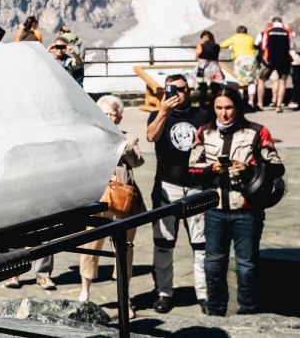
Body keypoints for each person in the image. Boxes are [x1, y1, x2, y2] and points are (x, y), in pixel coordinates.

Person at [189, 93, 284, 316]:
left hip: (247, 210)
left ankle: (248, 314)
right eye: (219, 108)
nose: (224, 113)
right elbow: (191, 169)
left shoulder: (257, 131)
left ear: (238, 108)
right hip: (215, 211)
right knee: (213, 265)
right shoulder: (204, 132)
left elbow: (277, 167)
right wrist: (210, 169)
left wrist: (249, 169)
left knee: (247, 267)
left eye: (229, 107)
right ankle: (215, 313)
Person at [145, 74, 212, 313]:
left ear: (189, 90)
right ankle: (164, 292)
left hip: (197, 187)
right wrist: (163, 112)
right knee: (163, 244)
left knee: (201, 245)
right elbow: (151, 136)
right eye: (172, 89)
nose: (178, 93)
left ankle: (204, 294)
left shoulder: (202, 115)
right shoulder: (158, 114)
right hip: (167, 186)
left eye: (182, 89)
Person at [77, 96, 146, 316]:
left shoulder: (129, 137)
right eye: (104, 113)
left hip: (123, 201)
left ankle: (124, 298)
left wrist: (122, 145)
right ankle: (85, 291)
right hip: (97, 200)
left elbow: (138, 161)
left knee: (124, 250)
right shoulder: (90, 137)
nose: (108, 117)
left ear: (119, 117)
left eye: (112, 114)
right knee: (90, 246)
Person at [256, 17, 295, 110]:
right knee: (282, 82)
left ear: (272, 23)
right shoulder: (288, 31)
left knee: (261, 80)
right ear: (282, 23)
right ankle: (279, 105)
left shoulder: (267, 31)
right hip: (284, 60)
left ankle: (260, 104)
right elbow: (291, 46)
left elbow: (263, 45)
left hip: (270, 60)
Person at [219, 26, 258, 109]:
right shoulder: (250, 38)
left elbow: (222, 44)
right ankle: (251, 102)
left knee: (240, 81)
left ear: (237, 31)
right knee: (251, 81)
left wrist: (231, 46)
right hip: (251, 59)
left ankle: (240, 100)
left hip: (240, 59)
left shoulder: (235, 38)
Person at [196, 30, 225, 102]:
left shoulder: (200, 46)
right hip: (214, 68)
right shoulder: (217, 46)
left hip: (203, 69)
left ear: (204, 37)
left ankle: (202, 105)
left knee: (203, 89)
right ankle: (216, 104)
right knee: (215, 89)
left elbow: (196, 58)